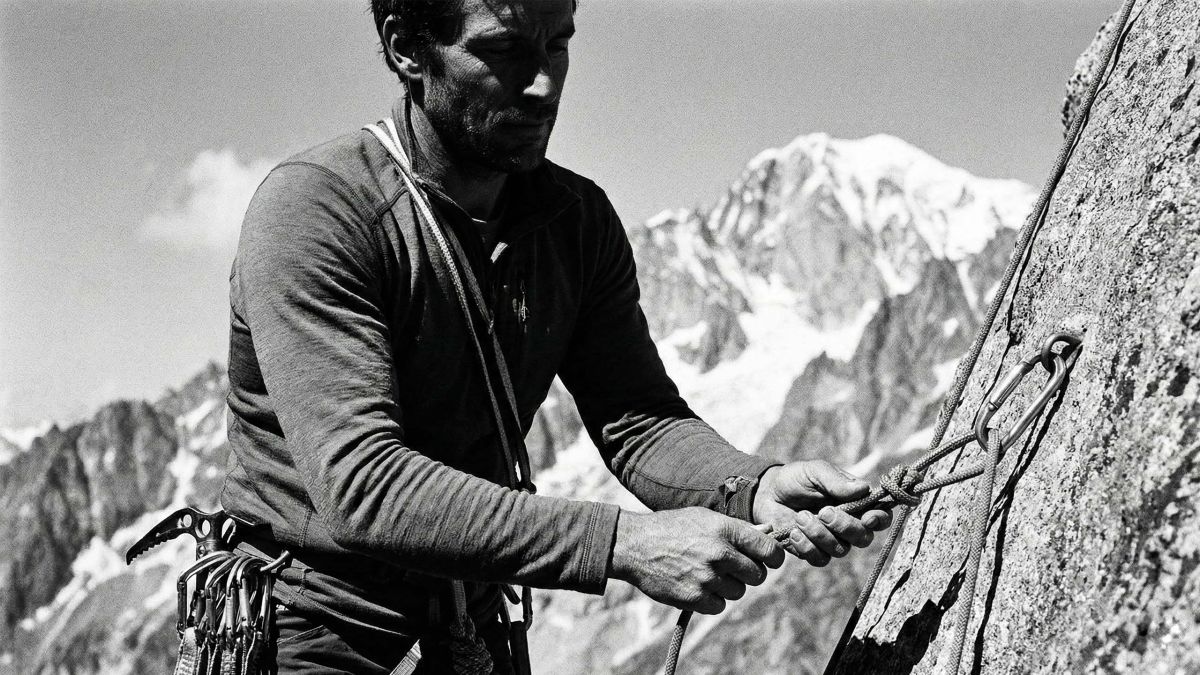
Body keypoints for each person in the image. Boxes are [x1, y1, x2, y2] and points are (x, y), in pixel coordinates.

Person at [220, 0, 892, 672]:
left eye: (558, 46)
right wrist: (624, 544)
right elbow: (363, 484)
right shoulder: (317, 212)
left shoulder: (575, 222)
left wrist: (753, 486)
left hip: (472, 634)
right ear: (408, 50)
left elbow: (638, 419)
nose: (544, 84)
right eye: (505, 51)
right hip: (314, 634)